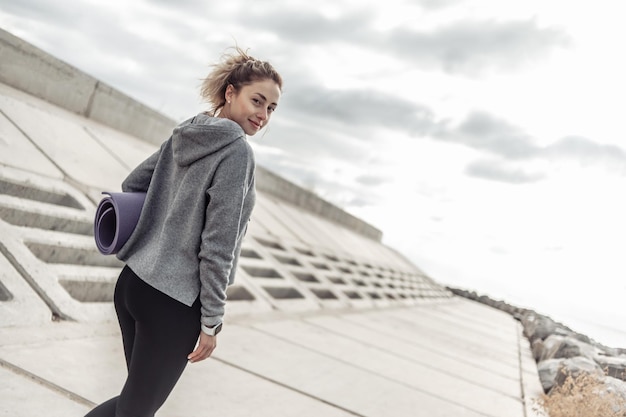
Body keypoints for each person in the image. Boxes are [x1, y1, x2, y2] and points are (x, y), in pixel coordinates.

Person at [85, 47, 282, 417]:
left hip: (133, 284)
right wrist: (212, 321)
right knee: (137, 408)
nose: (263, 114)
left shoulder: (189, 130)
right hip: (172, 302)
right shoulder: (236, 152)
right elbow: (217, 246)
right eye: (257, 101)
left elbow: (134, 182)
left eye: (271, 108)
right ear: (230, 92)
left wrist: (170, 208)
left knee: (134, 404)